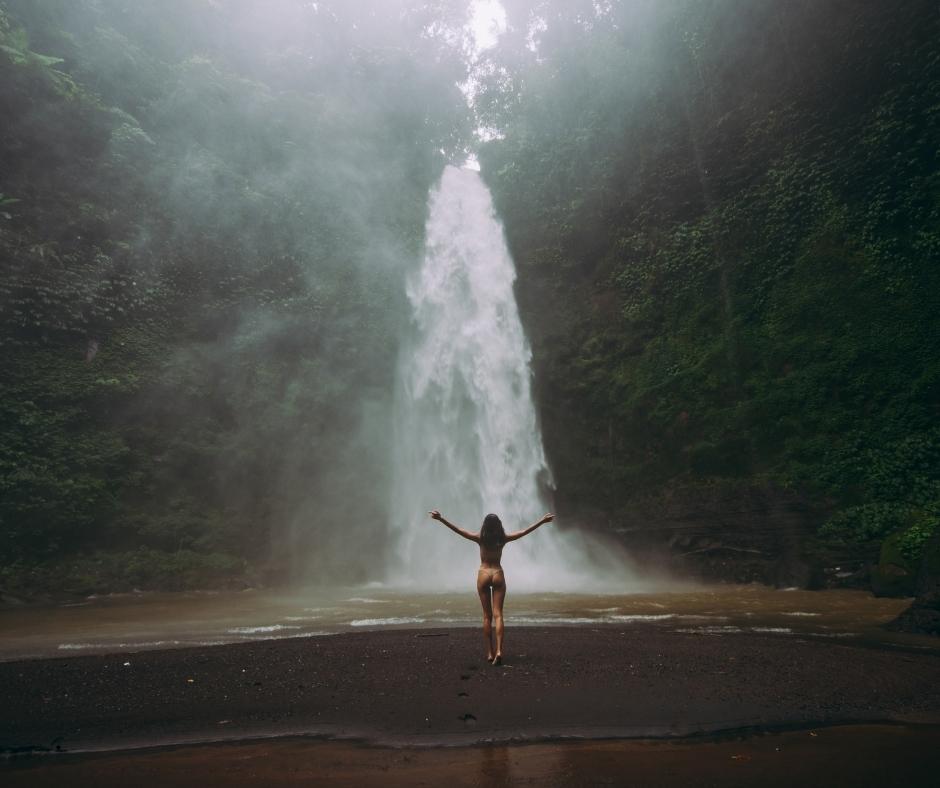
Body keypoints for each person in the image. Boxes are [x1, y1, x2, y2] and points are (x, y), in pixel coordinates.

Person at [428, 509, 554, 665]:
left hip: (484, 573)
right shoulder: (503, 538)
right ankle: (499, 651)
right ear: (499, 525)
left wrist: (441, 519)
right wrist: (541, 521)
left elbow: (459, 530)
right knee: (498, 615)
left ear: (485, 526)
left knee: (486, 616)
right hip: (498, 573)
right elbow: (524, 531)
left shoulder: (479, 538)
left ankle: (489, 652)